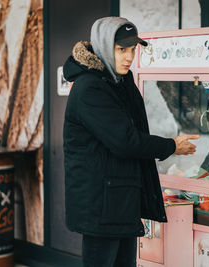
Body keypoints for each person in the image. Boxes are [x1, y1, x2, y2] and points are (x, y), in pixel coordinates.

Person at [63, 16, 199, 267]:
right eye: (121, 49)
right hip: (100, 204)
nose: (129, 57)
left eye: (133, 49)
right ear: (104, 46)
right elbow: (124, 140)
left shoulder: (120, 80)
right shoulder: (89, 88)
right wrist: (171, 146)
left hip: (121, 197)